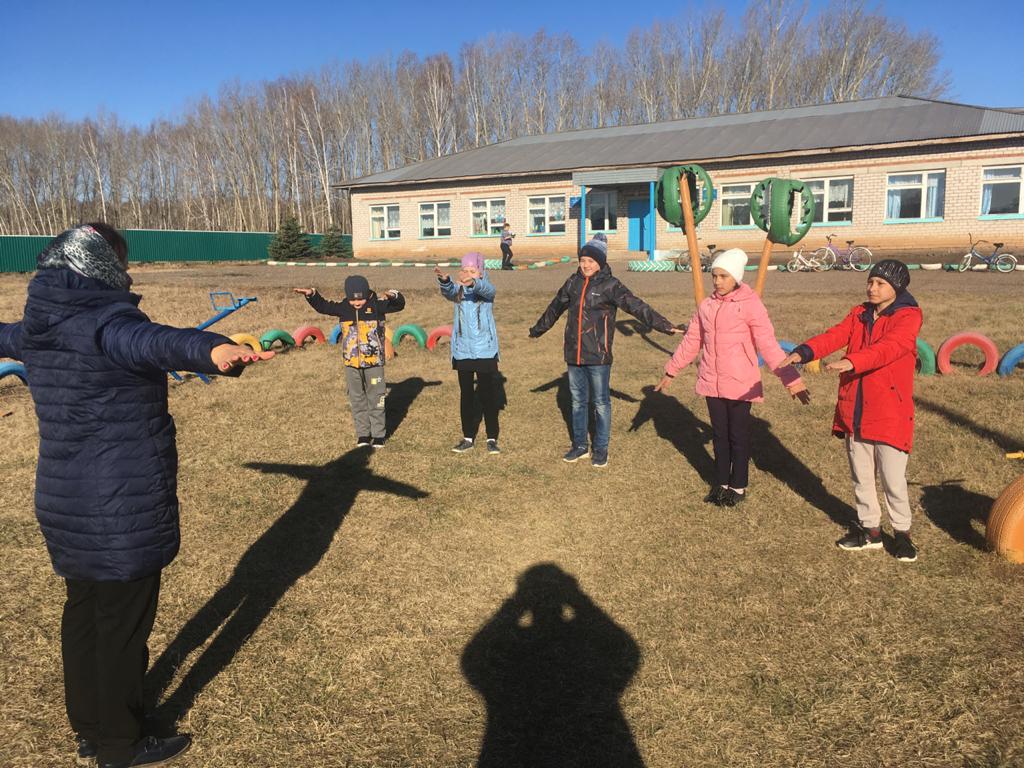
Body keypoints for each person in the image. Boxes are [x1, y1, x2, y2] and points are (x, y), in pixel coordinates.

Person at [0, 223, 271, 768]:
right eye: (122, 263)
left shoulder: (38, 326)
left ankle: (90, 729)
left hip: (66, 503)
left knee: (84, 614)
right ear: (103, 267)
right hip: (120, 508)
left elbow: (5, 334)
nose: (127, 274)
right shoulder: (107, 322)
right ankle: (121, 744)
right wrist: (213, 348)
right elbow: (157, 342)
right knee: (122, 630)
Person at [780, 259, 922, 561]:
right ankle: (871, 531)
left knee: (893, 479)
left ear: (896, 287)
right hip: (855, 410)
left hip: (889, 412)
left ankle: (902, 534)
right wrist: (803, 352)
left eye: (880, 283)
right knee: (861, 475)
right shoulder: (859, 314)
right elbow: (834, 335)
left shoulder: (908, 317)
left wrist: (852, 361)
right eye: (870, 281)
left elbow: (890, 347)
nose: (872, 288)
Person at [655, 249, 810, 507]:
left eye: (723, 276)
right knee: (719, 435)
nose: (717, 281)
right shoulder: (706, 306)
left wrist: (792, 380)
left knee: (738, 436)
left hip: (740, 384)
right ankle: (721, 484)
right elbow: (692, 341)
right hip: (712, 382)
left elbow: (769, 346)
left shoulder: (751, 305)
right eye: (714, 276)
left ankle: (738, 485)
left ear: (736, 277)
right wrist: (671, 370)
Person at [529, 235, 682, 467]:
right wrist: (538, 329)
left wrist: (664, 325)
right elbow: (555, 307)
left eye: (591, 261)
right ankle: (580, 446)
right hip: (574, 354)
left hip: (598, 355)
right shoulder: (572, 283)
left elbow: (636, 306)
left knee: (601, 403)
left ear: (600, 262)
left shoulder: (611, 285)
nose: (586, 265)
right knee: (577, 402)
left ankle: (601, 449)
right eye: (583, 260)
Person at [294, 276, 405, 448]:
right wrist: (311, 294)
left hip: (374, 364)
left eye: (360, 299)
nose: (356, 303)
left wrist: (394, 295)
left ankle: (378, 434)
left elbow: (399, 305)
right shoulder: (343, 308)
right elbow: (323, 306)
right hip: (351, 364)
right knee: (356, 398)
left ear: (367, 294)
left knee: (377, 397)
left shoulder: (377, 305)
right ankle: (363, 434)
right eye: (353, 299)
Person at [435, 253, 503, 454]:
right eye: (465, 270)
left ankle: (491, 438)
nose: (467, 274)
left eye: (472, 271)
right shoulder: (459, 290)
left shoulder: (486, 288)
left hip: (485, 350)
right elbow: (449, 293)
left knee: (487, 395)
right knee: (466, 395)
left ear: (481, 272)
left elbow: (488, 290)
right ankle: (467, 438)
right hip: (462, 350)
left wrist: (473, 282)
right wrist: (445, 281)